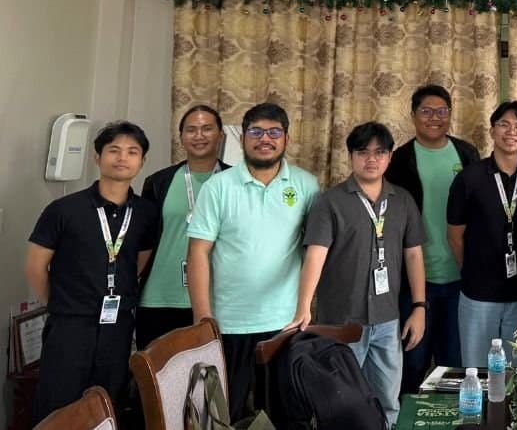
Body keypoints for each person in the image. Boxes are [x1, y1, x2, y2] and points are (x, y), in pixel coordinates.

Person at [187, 103, 319, 420]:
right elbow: (198, 252)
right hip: (229, 322)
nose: (265, 139)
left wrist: (306, 306)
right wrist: (203, 316)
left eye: (274, 132)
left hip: (285, 322)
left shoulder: (306, 185)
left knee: (283, 415)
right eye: (256, 131)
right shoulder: (218, 187)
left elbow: (315, 250)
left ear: (286, 139)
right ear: (242, 137)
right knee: (226, 414)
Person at [288, 121, 426, 425]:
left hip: (388, 320)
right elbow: (315, 255)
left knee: (388, 401)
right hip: (342, 322)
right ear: (350, 156)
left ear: (390, 157)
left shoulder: (402, 200)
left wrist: (419, 307)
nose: (371, 159)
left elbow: (414, 254)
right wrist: (303, 308)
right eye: (363, 152)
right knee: (342, 405)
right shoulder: (330, 202)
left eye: (379, 152)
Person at [25, 121, 158, 423]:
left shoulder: (146, 213)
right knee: (59, 407)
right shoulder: (64, 209)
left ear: (142, 161)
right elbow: (35, 266)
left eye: (132, 152)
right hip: (70, 325)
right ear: (97, 157)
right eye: (114, 150)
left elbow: (138, 263)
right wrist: (59, 303)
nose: (122, 158)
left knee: (108, 406)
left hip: (118, 326)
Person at [386, 85, 478, 392]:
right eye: (426, 111)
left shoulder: (466, 154)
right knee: (412, 364)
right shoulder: (399, 160)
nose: (434, 118)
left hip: (459, 279)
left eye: (442, 111)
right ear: (413, 115)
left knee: (454, 365)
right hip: (414, 282)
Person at [446, 101, 517, 366]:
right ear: (492, 131)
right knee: (478, 371)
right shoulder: (469, 179)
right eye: (504, 124)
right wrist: (472, 271)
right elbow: (455, 237)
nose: (511, 131)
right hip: (478, 295)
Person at [136, 105, 229, 348]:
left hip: (216, 300)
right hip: (159, 297)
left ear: (220, 135)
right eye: (191, 130)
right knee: (156, 369)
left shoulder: (236, 181)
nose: (199, 136)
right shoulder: (158, 182)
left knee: (211, 371)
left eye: (207, 129)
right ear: (181, 137)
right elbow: (144, 241)